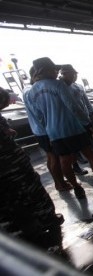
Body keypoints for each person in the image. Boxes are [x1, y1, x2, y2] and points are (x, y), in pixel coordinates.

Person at [25, 57, 93, 197]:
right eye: (54, 69)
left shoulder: (32, 92)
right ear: (45, 70)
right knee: (90, 155)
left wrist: (48, 129)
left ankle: (77, 188)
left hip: (53, 133)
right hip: (73, 128)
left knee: (64, 161)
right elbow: (73, 106)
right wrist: (87, 124)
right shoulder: (58, 85)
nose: (56, 72)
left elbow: (39, 116)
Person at [1, 87, 64, 241]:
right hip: (12, 165)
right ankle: (46, 220)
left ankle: (19, 232)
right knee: (31, 191)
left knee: (8, 202)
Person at [59, 64, 93, 176]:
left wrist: (92, 111)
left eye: (75, 74)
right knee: (72, 149)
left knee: (88, 141)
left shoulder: (78, 86)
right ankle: (76, 166)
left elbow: (85, 101)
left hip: (84, 118)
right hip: (71, 122)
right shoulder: (60, 87)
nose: (74, 76)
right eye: (72, 74)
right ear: (64, 74)